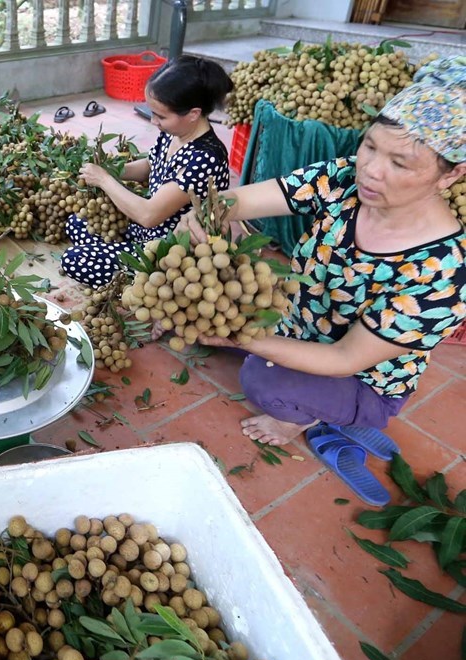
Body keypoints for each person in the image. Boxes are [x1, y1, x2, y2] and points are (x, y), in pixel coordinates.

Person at [178, 56, 465, 446]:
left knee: (261, 378)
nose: (371, 170)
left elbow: (346, 359)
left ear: (452, 174)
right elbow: (248, 199)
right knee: (203, 321)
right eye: (370, 146)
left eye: (399, 163)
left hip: (361, 377)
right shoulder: (346, 177)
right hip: (302, 324)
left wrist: (242, 339)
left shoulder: (444, 277)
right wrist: (211, 210)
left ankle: (300, 420)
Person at [62, 55, 234, 287]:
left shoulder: (206, 158)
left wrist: (104, 180)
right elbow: (151, 166)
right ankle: (115, 256)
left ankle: (144, 284)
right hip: (144, 232)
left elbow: (149, 215)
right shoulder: (174, 132)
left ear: (193, 114)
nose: (154, 121)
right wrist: (112, 170)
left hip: (167, 253)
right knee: (76, 222)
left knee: (74, 260)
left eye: (161, 116)